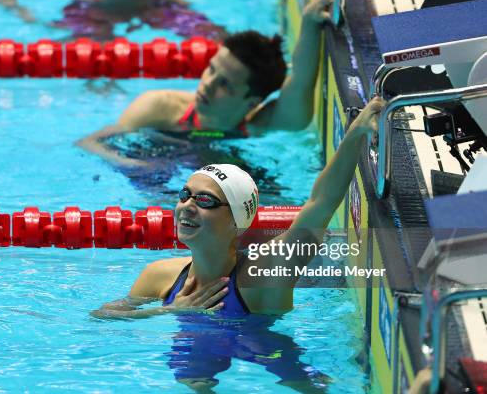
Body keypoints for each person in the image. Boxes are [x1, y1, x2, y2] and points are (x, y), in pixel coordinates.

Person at [91, 97, 385, 391]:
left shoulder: (265, 274)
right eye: (185, 195)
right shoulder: (161, 276)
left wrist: (356, 133)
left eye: (205, 200)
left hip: (264, 347)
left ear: (236, 221)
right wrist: (169, 311)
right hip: (196, 348)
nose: (187, 206)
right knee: (189, 379)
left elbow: (321, 203)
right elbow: (103, 316)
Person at [76, 0, 335, 168]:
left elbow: (300, 80)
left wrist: (309, 23)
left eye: (225, 84)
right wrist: (136, 165)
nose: (207, 85)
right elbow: (90, 142)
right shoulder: (158, 106)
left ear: (250, 101)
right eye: (211, 70)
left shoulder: (260, 123)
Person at [0, 0, 227, 41]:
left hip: (151, 8)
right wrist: (18, 6)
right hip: (97, 11)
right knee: (84, 44)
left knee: (215, 36)